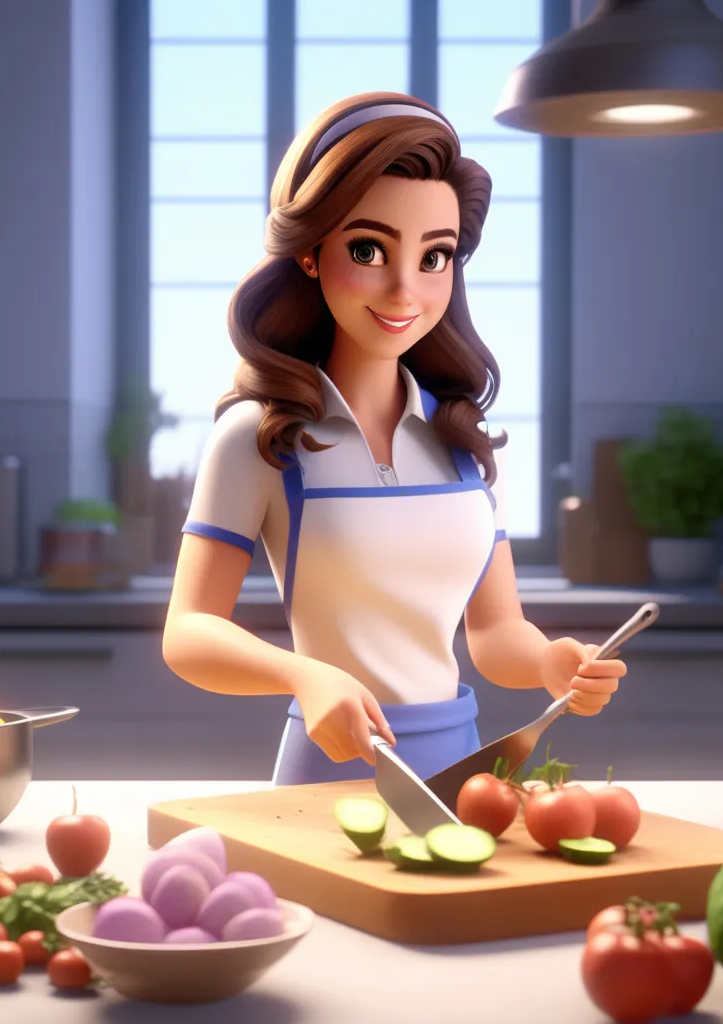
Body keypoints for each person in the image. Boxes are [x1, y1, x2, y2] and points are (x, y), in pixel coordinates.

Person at [162, 91, 626, 786]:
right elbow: (188, 634)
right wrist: (305, 677)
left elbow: (494, 635)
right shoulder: (262, 438)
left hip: (465, 773)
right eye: (370, 249)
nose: (406, 290)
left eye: (434, 258)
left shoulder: (464, 441)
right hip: (330, 768)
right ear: (312, 254)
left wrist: (547, 662)